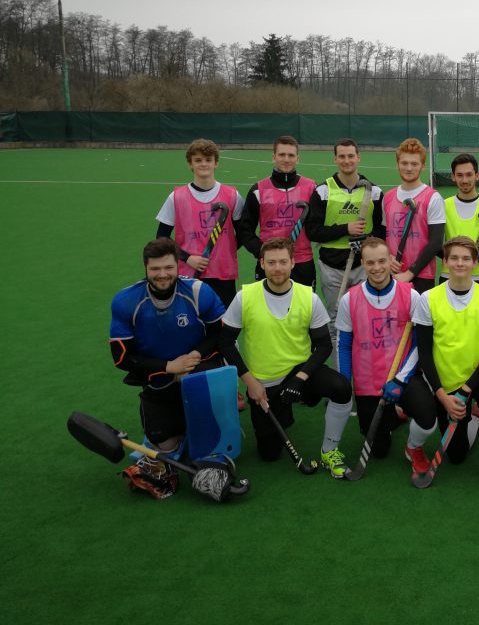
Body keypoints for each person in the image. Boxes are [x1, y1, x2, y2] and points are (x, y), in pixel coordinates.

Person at [218, 238, 353, 478]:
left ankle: (329, 450)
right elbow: (225, 343)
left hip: (300, 373)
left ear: (292, 262)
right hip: (264, 382)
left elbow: (323, 346)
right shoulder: (244, 296)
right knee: (269, 453)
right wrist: (251, 383)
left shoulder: (308, 297)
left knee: (341, 387)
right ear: (262, 263)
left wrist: (300, 378)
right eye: (271, 263)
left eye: (283, 262)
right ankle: (283, 411)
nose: (277, 268)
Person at [109, 238, 225, 498]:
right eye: (155, 269)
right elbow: (122, 357)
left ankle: (208, 418)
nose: (162, 274)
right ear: (146, 268)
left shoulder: (198, 291)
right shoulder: (126, 301)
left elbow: (221, 334)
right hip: (159, 377)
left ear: (177, 266)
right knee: (164, 443)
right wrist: (169, 366)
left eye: (168, 267)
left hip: (197, 369)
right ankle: (177, 429)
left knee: (208, 440)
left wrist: (194, 356)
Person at [404, 236, 479, 489]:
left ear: (475, 263)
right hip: (443, 382)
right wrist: (442, 395)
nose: (460, 263)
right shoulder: (428, 298)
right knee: (456, 455)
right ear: (445, 262)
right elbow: (424, 352)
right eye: (454, 258)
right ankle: (474, 420)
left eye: (466, 258)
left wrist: (467, 390)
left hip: (477, 377)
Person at [335, 237, 436, 464]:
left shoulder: (411, 295)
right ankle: (393, 415)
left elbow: (420, 343)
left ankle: (413, 446)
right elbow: (343, 344)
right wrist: (345, 384)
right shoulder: (349, 299)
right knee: (379, 449)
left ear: (390, 260)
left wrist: (400, 379)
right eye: (370, 263)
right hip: (367, 381)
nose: (377, 268)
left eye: (382, 261)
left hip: (403, 376)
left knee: (428, 418)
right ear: (362, 263)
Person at [305, 138, 384, 371]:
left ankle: (365, 370)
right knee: (335, 320)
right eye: (342, 156)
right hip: (331, 266)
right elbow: (313, 231)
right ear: (335, 159)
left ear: (358, 157)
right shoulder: (323, 191)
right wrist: (346, 229)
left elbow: (382, 232)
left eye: (351, 156)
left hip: (363, 266)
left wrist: (366, 238)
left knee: (364, 318)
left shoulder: (374, 191)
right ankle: (341, 374)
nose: (347, 160)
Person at [155, 138, 243, 309]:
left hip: (223, 273)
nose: (203, 164)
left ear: (216, 163)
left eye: (208, 160)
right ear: (190, 164)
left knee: (223, 320)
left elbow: (243, 233)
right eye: (198, 160)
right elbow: (161, 237)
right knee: (191, 319)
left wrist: (224, 251)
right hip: (189, 274)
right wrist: (187, 258)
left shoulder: (232, 195)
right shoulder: (176, 197)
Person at [236, 135, 318, 287]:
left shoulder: (311, 187)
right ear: (274, 157)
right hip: (270, 263)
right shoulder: (258, 190)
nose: (286, 159)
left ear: (298, 158)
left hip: (302, 262)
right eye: (282, 155)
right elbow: (245, 230)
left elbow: (317, 225)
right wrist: (262, 252)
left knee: (304, 303)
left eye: (291, 155)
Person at [384, 137, 445, 294]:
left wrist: (410, 273)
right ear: (397, 164)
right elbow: (382, 235)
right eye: (404, 163)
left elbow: (435, 242)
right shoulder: (388, 197)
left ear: (422, 166)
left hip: (421, 276)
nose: (409, 168)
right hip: (390, 273)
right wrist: (388, 258)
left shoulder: (432, 197)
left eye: (414, 164)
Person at [440, 153, 479, 290]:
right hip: (449, 275)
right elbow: (436, 243)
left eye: (469, 175)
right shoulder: (443, 206)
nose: (464, 180)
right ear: (453, 177)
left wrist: (473, 259)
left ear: (477, 176)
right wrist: (456, 261)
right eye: (460, 175)